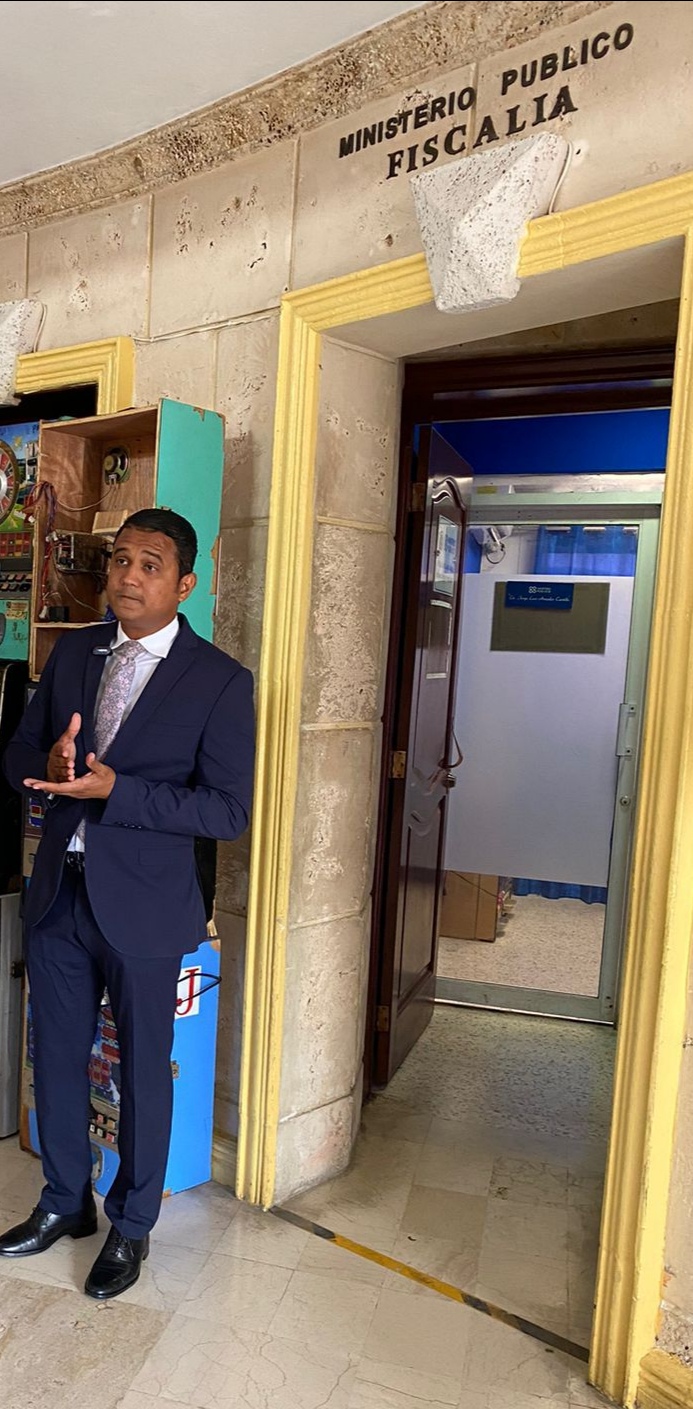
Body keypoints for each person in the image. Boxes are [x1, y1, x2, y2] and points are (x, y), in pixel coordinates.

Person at [0, 508, 255, 1299]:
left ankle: (132, 1222)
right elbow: (18, 753)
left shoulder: (219, 680)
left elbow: (227, 811)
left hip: (146, 907)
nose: (128, 575)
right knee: (56, 1057)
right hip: (60, 895)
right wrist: (47, 764)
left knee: (144, 1070)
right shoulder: (74, 651)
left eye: (150, 563)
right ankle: (63, 1201)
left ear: (185, 583)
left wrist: (120, 791)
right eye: (120, 559)